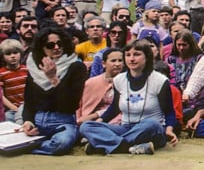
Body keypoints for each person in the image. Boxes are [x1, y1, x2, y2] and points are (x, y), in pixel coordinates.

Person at [79, 41, 179, 155]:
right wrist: (99, 123)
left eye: (136, 54)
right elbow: (114, 108)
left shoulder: (160, 81)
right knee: (86, 126)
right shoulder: (119, 80)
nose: (131, 59)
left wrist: (169, 129)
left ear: (147, 57)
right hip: (125, 127)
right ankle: (128, 147)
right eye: (128, 55)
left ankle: (105, 146)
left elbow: (169, 111)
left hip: (149, 129)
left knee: (151, 124)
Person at [19, 27, 88, 155]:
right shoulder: (35, 68)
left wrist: (54, 79)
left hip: (62, 121)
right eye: (51, 45)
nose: (56, 47)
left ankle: (27, 148)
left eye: (60, 43)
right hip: (38, 120)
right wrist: (28, 122)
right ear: (42, 48)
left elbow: (71, 103)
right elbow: (29, 101)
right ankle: (30, 144)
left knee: (62, 143)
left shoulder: (76, 67)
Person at [77, 47, 125, 124]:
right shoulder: (91, 83)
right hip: (89, 122)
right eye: (113, 61)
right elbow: (80, 107)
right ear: (103, 64)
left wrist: (97, 114)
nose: (117, 64)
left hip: (118, 120)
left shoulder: (127, 82)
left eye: (120, 61)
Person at [1, 38, 28, 122]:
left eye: (15, 53)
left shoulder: (27, 70)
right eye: (8, 54)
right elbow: (1, 95)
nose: (13, 56)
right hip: (11, 109)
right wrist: (13, 107)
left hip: (27, 106)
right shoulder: (1, 73)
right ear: (2, 56)